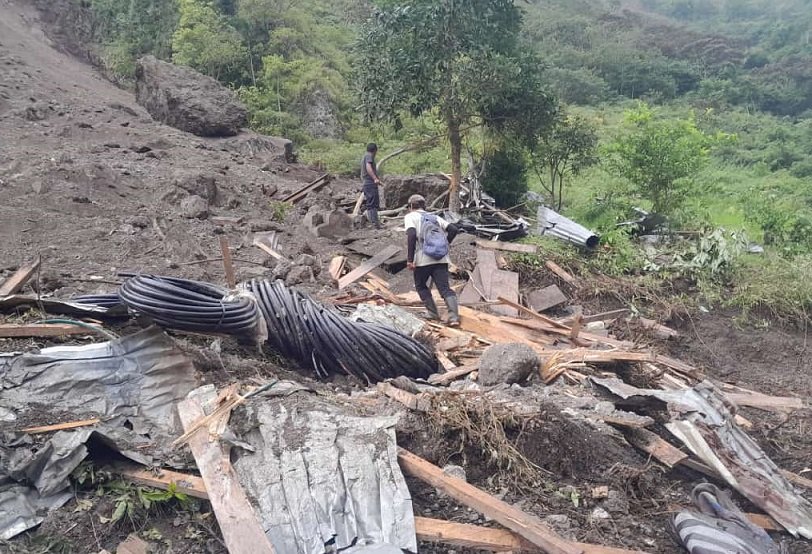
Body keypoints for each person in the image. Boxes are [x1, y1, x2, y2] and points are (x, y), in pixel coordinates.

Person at [404, 194, 460, 326]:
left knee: (421, 285)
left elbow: (411, 235)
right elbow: (453, 229)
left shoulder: (410, 217)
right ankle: (454, 318)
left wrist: (410, 260)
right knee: (445, 288)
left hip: (423, 259)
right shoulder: (435, 217)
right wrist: (445, 244)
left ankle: (433, 313)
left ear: (411, 206)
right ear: (424, 206)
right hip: (441, 258)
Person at [360, 143, 383, 229]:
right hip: (369, 183)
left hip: (368, 182)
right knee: (372, 204)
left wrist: (377, 180)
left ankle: (374, 222)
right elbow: (368, 167)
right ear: (375, 151)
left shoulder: (365, 156)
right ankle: (375, 224)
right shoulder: (369, 156)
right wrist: (375, 179)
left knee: (371, 203)